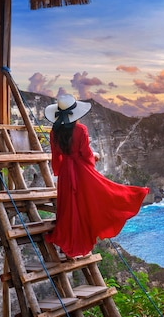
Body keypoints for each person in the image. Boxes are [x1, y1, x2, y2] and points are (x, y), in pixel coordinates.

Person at [43, 94, 149, 258]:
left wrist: (58, 172)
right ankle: (136, 195)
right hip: (80, 170)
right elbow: (85, 154)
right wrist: (94, 159)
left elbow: (56, 157)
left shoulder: (54, 132)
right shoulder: (81, 130)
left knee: (68, 207)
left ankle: (67, 245)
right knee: (99, 197)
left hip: (65, 172)